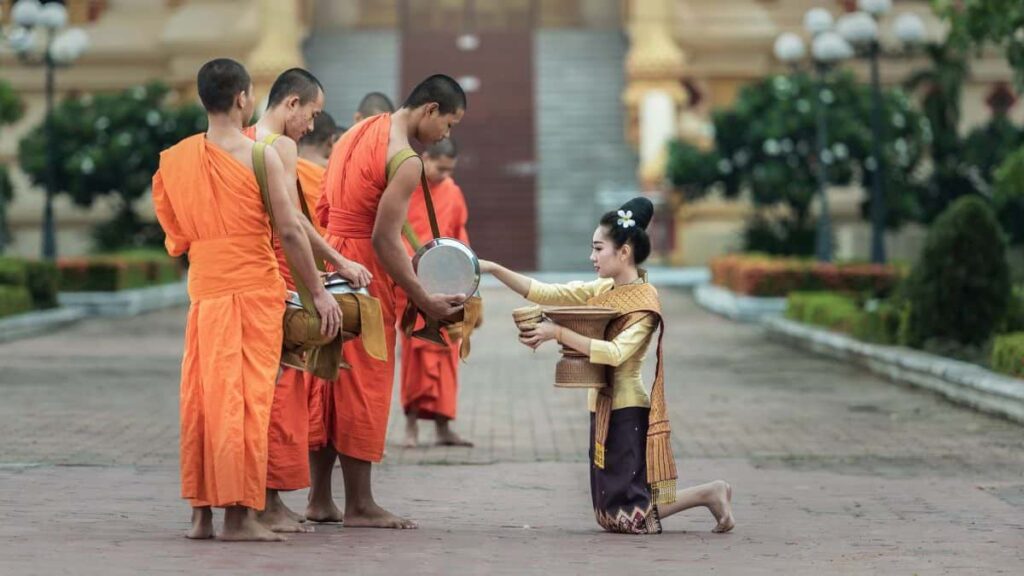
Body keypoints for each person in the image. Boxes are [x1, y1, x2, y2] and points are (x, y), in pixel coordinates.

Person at [152, 58, 341, 542]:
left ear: (203, 99)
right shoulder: (261, 156)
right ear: (242, 99)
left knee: (202, 400)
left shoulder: (173, 159)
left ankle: (202, 515)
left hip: (206, 294)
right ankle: (238, 516)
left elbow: (175, 237)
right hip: (255, 292)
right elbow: (292, 231)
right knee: (246, 403)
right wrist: (317, 293)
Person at [481, 197, 735, 535]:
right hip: (602, 404)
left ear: (624, 252)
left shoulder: (645, 303)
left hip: (627, 408)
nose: (592, 257)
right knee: (610, 514)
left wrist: (556, 332)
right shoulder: (603, 288)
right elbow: (546, 291)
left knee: (628, 516)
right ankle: (710, 493)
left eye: (598, 248)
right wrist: (494, 269)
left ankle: (708, 492)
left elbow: (615, 353)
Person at [305, 75, 467, 529]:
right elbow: (383, 238)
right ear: (430, 110)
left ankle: (320, 499)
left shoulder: (359, 130)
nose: (446, 136)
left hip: (332, 258)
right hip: (363, 270)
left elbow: (322, 205)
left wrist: (327, 261)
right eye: (449, 124)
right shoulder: (406, 159)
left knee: (328, 376)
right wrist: (425, 299)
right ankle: (360, 504)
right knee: (363, 380)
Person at [244, 68, 372, 534]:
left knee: (258, 392)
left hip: (245, 279)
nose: (313, 126)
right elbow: (294, 224)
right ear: (291, 104)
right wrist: (328, 278)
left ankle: (257, 498)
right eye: (312, 113)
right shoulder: (278, 147)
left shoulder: (240, 141)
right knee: (282, 393)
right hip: (278, 278)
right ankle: (269, 501)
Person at [396, 137, 473, 448]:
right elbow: (393, 231)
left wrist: (465, 277)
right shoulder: (405, 186)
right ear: (425, 158)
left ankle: (444, 427)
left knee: (448, 355)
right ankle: (411, 427)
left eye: (449, 169)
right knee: (414, 356)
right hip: (414, 281)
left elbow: (459, 233)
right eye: (439, 168)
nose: (443, 174)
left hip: (447, 282)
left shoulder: (452, 191)